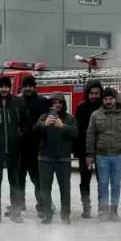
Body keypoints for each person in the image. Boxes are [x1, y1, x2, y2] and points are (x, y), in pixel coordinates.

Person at [85, 87, 121, 223]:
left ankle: (114, 212)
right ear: (103, 100)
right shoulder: (96, 115)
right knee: (102, 184)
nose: (108, 101)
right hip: (101, 156)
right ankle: (103, 211)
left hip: (118, 156)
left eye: (111, 98)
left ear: (115, 99)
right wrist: (90, 154)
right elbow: (90, 135)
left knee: (116, 185)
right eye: (106, 99)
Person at [0, 76, 29, 224]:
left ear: (10, 87)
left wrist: (19, 136)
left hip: (14, 148)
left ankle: (16, 213)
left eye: (6, 86)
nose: (4, 89)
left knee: (14, 180)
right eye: (1, 86)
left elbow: (26, 122)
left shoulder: (18, 101)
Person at [34, 94, 78, 224]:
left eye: (60, 102)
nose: (57, 105)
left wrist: (63, 126)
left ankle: (65, 216)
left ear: (64, 104)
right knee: (45, 189)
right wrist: (43, 124)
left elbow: (76, 134)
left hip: (63, 159)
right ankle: (48, 215)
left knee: (65, 188)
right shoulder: (43, 117)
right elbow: (34, 131)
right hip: (45, 158)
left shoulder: (70, 118)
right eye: (54, 103)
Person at [18, 76, 50, 210]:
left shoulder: (43, 102)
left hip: (36, 147)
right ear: (22, 87)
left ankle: (42, 204)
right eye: (25, 86)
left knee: (37, 179)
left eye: (30, 86)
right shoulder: (16, 101)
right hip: (19, 146)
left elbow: (48, 123)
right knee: (19, 178)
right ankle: (19, 204)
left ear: (34, 87)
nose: (27, 88)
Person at [74, 80, 105, 219]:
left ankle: (101, 209)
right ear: (87, 94)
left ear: (101, 93)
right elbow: (78, 131)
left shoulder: (105, 107)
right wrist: (81, 153)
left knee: (102, 181)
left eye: (97, 93)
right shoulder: (81, 108)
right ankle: (86, 208)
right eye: (91, 93)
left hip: (103, 151)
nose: (94, 96)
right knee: (85, 180)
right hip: (85, 152)